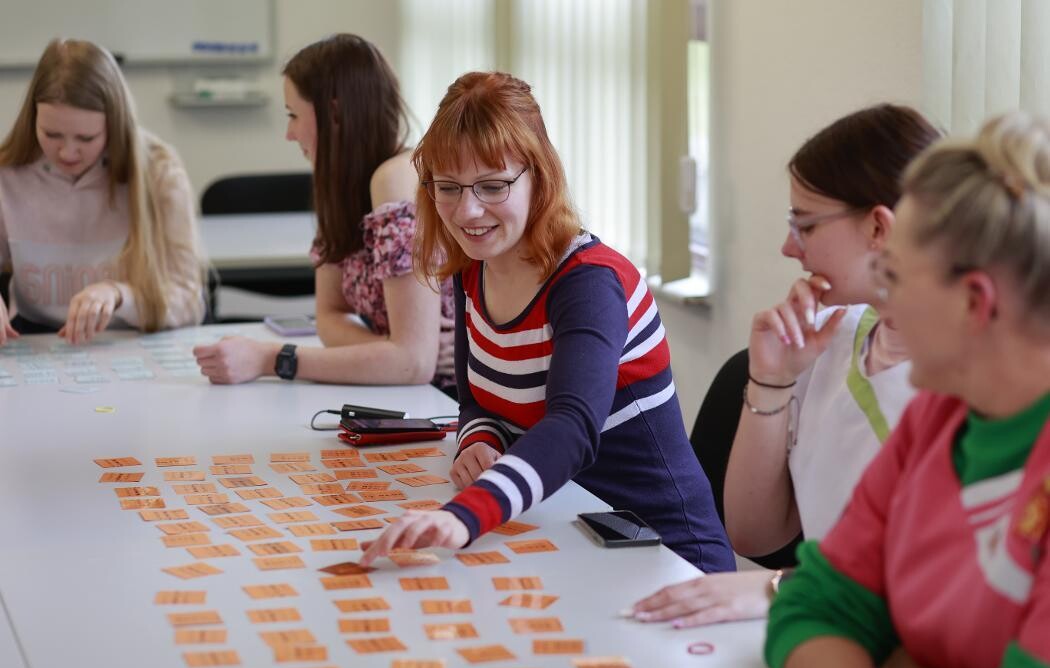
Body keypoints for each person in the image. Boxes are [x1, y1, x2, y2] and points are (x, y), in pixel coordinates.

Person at [359, 71, 734, 572]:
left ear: (540, 176)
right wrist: (480, 439)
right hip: (560, 533)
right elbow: (477, 397)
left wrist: (468, 515)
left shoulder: (590, 282)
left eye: (493, 186)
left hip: (662, 555)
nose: (467, 211)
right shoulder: (474, 266)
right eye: (447, 187)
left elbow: (574, 426)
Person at [766, 112, 1050, 668]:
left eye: (896, 276)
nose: (882, 304)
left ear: (974, 302)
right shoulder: (936, 421)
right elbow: (808, 611)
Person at [630, 105, 941, 627]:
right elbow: (754, 536)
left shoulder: (973, 377)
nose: (788, 246)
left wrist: (781, 586)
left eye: (806, 224)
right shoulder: (833, 335)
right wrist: (771, 379)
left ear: (879, 228)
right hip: (831, 623)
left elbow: (941, 577)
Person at [192, 34, 455, 392]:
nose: (289, 133)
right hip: (410, 392)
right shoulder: (342, 186)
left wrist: (271, 359)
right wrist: (391, 354)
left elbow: (414, 365)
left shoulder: (394, 178)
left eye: (293, 115)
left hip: (453, 404)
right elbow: (330, 318)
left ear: (333, 114)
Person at [0, 38, 205, 345]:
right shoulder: (8, 173)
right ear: (32, 120)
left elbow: (190, 301)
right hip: (38, 340)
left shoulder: (158, 171)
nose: (68, 152)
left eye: (86, 137)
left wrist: (119, 295)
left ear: (114, 124)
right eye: (51, 134)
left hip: (132, 340)